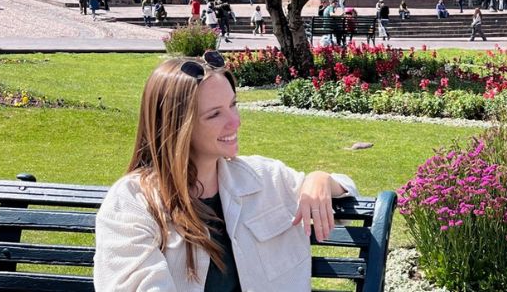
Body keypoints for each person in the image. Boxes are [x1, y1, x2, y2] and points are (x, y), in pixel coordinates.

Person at [93, 54, 356, 291]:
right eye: (215, 114)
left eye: (233, 104)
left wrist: (319, 179)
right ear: (177, 127)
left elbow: (347, 189)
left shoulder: (263, 177)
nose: (235, 121)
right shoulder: (133, 202)